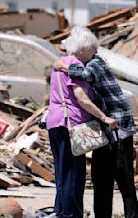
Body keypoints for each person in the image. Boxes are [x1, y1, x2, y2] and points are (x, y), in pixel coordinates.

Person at [54, 28, 138, 218]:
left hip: (119, 127)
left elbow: (85, 75)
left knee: (124, 178)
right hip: (104, 128)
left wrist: (65, 67)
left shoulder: (95, 62)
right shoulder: (88, 60)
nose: (94, 50)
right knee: (101, 178)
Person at [47, 26, 117, 217]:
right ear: (83, 48)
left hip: (55, 122)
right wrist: (104, 117)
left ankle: (60, 211)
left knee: (62, 173)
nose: (95, 53)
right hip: (71, 124)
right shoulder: (75, 66)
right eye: (93, 49)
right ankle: (71, 214)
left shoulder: (59, 63)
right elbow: (82, 98)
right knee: (73, 175)